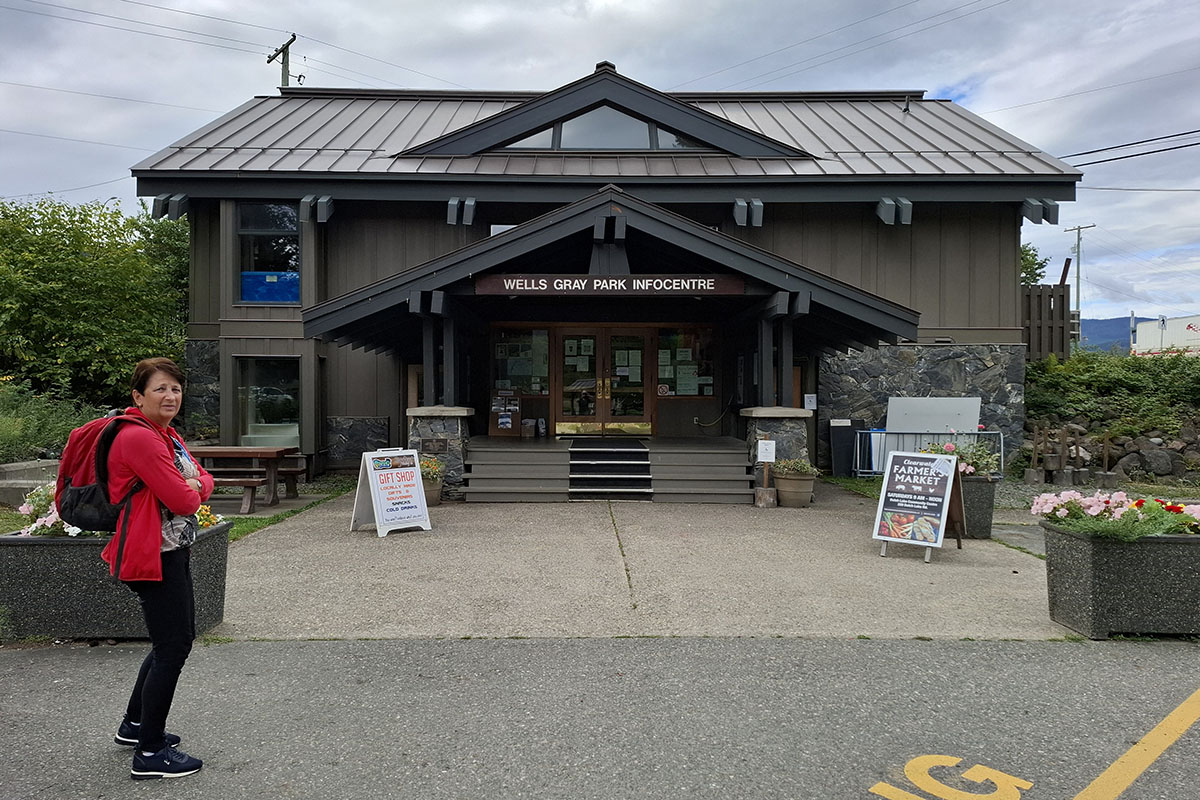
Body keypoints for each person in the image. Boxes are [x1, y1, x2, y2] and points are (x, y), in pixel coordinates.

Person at [102, 358, 214, 780]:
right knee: (173, 646)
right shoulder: (140, 440)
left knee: (168, 640)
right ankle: (150, 752)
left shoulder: (166, 435)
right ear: (138, 396)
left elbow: (203, 479)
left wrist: (195, 485)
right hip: (154, 554)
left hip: (170, 548)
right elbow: (187, 500)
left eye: (176, 390)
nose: (170, 397)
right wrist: (193, 489)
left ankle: (135, 727)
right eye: (160, 389)